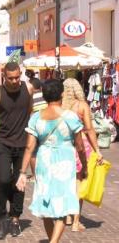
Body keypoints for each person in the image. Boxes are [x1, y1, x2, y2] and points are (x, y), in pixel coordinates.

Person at [16, 79, 88, 243]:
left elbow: (29, 147)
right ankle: (54, 241)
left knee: (46, 204)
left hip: (44, 161)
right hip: (64, 161)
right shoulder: (70, 117)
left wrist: (22, 172)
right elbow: (80, 146)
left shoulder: (35, 117)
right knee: (63, 205)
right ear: (61, 94)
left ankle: (52, 240)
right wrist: (84, 165)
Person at [0, 62, 33, 239]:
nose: (14, 81)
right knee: (4, 179)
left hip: (23, 144)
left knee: (19, 182)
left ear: (20, 74)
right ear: (4, 76)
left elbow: (30, 113)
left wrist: (33, 141)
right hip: (3, 143)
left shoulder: (28, 88)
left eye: (17, 77)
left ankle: (15, 218)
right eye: (10, 78)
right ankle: (3, 218)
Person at [62, 78, 103, 232]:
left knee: (67, 183)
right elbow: (90, 129)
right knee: (79, 183)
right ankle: (76, 221)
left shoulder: (60, 106)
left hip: (64, 147)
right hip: (81, 147)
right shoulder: (82, 106)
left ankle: (67, 216)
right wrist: (97, 150)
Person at [28, 78, 47, 180]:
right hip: (48, 126)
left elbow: (29, 113)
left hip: (35, 127)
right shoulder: (45, 95)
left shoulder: (29, 97)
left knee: (33, 152)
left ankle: (35, 175)